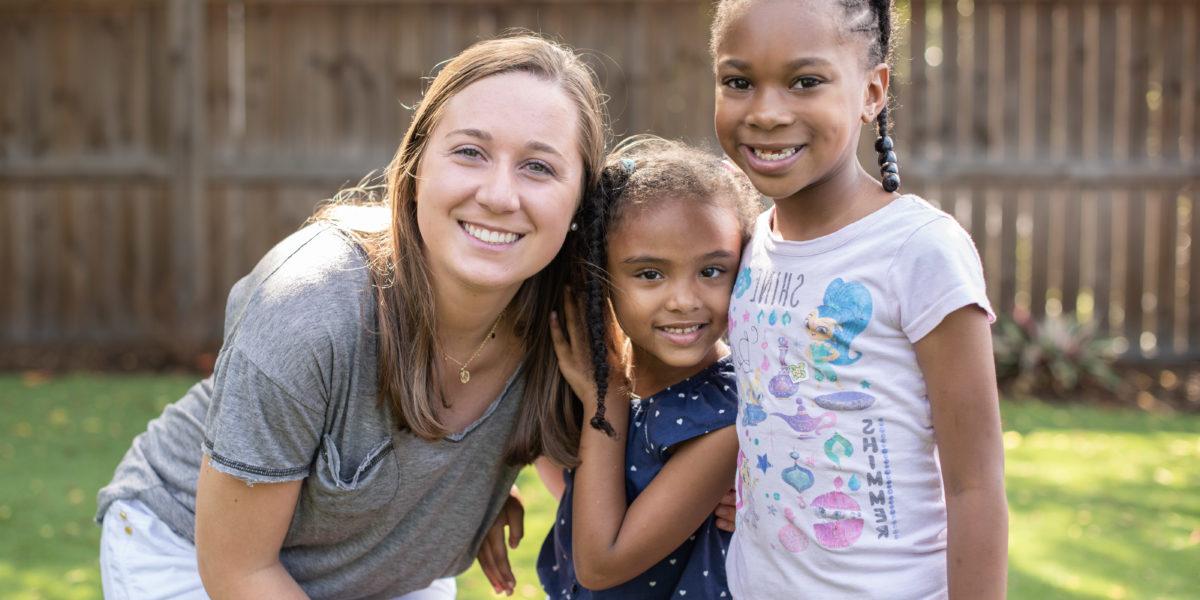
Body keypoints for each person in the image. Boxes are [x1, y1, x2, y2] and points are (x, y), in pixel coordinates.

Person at [95, 34, 608, 599]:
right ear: (415, 168)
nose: (498, 194)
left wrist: (463, 494)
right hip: (188, 552)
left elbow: (607, 508)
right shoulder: (306, 308)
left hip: (385, 563)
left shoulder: (573, 322)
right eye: (470, 152)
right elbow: (238, 571)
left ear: (581, 201)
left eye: (539, 167)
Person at [710, 1, 1009, 598]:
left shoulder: (919, 250)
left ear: (873, 92)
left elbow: (976, 486)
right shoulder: (749, 244)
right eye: (738, 82)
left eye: (806, 82)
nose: (766, 112)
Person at [528, 137, 760, 599]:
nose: (684, 300)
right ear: (600, 276)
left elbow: (600, 563)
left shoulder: (725, 416)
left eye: (712, 270)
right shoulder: (601, 366)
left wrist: (607, 401)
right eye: (650, 274)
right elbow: (565, 478)